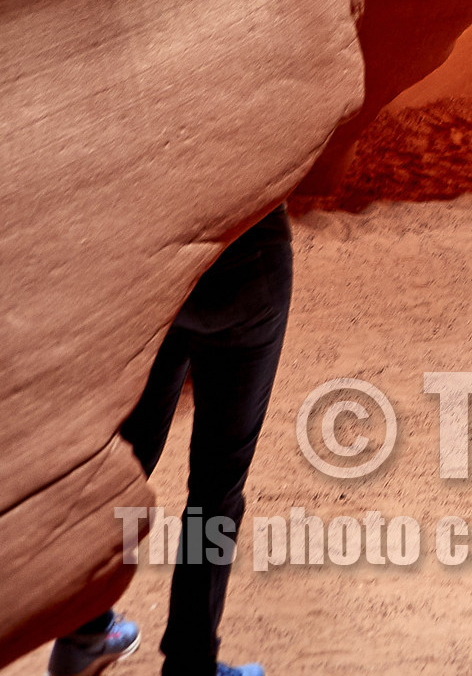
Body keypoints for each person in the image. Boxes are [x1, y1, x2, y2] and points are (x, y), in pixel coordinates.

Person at [50, 208, 293, 676]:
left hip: (155, 265)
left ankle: (84, 630)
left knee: (125, 457)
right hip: (249, 268)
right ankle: (190, 664)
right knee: (217, 487)